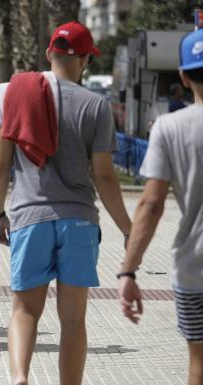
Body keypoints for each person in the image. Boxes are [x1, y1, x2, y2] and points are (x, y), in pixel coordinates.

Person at [0, 22, 131, 385]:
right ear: (85, 60)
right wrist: (129, 230)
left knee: (24, 311)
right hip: (79, 221)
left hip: (29, 217)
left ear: (49, 54)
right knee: (73, 320)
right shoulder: (96, 105)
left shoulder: (15, 96)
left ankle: (20, 378)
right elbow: (104, 176)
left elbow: (1, 164)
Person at [118, 29, 203, 385]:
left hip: (195, 268)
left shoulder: (169, 127)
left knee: (199, 363)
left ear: (182, 76)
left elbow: (151, 204)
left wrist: (129, 271)